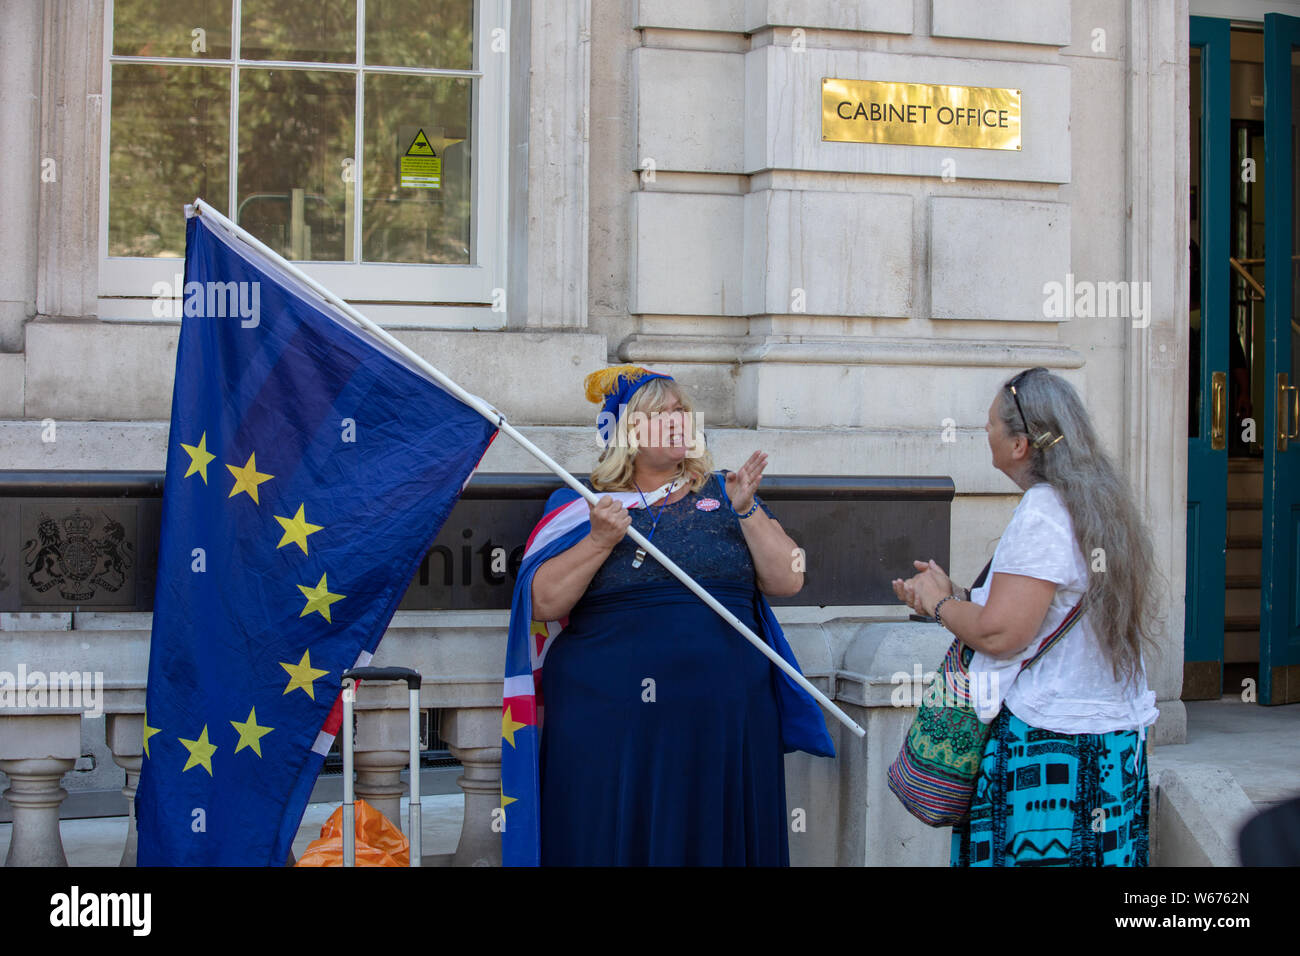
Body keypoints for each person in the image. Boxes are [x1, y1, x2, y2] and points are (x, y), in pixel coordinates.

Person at [500, 365, 834, 866]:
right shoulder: (582, 503)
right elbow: (544, 605)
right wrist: (598, 540)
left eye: (681, 409)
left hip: (724, 721)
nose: (679, 419)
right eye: (660, 413)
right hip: (613, 726)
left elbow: (790, 577)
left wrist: (747, 510)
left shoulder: (727, 492)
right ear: (625, 433)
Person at [891, 367, 1159, 867]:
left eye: (991, 423)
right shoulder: (1098, 504)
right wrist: (962, 593)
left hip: (1051, 748)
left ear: (1020, 444)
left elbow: (1002, 633)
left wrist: (939, 605)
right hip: (1110, 747)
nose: (985, 432)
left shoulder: (1044, 509)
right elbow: (1040, 610)